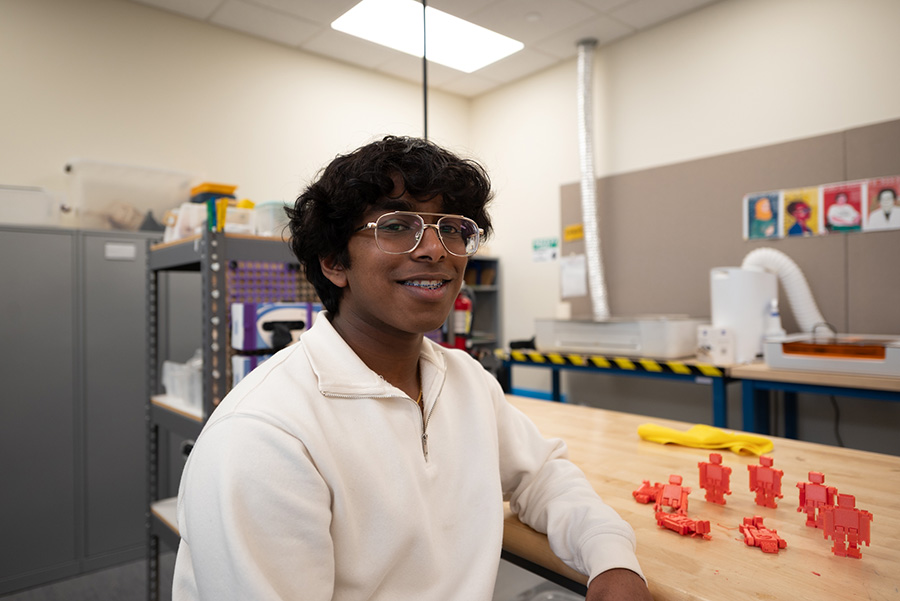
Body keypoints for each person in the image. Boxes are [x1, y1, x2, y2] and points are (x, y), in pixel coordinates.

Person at [172, 135, 650, 601]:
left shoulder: (465, 380)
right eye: (397, 226)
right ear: (335, 262)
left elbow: (543, 475)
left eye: (452, 229)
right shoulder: (264, 436)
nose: (435, 250)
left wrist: (611, 559)